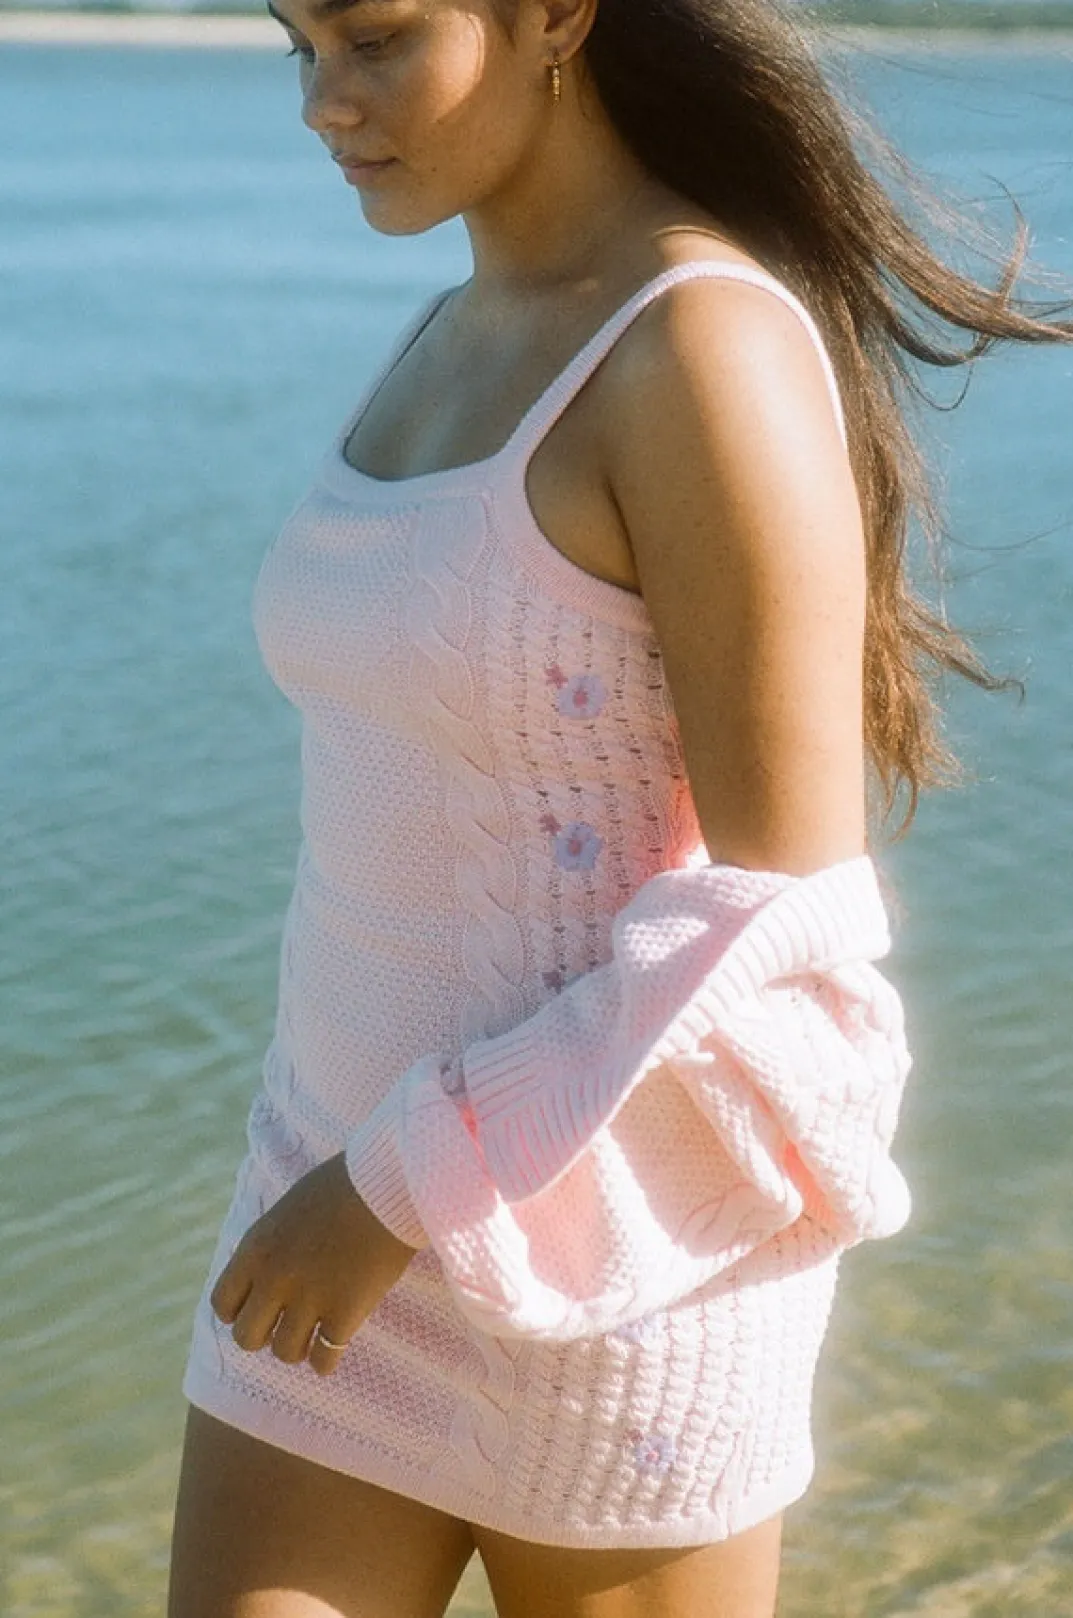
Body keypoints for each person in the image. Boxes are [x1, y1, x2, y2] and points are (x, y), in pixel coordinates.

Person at [167, 2, 1073, 1614]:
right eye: (298, 44)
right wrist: (349, 1186)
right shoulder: (447, 324)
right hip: (323, 1225)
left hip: (620, 1277)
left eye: (374, 38)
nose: (322, 101)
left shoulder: (699, 346)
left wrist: (395, 1186)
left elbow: (792, 924)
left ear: (558, 15)